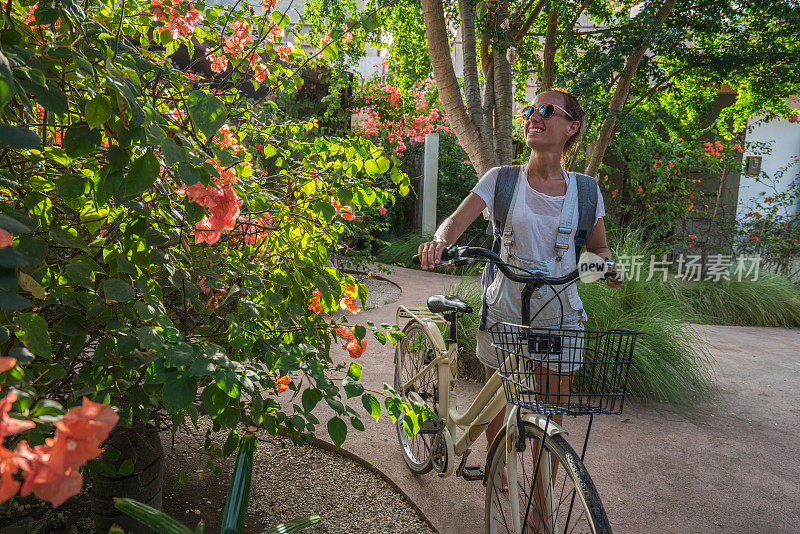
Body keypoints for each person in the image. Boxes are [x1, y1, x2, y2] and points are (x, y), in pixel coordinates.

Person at [417, 89, 623, 494]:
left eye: (546, 110)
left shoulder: (586, 190)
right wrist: (440, 241)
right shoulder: (501, 180)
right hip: (505, 309)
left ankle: (542, 509)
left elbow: (596, 249)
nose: (533, 116)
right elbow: (454, 223)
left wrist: (606, 269)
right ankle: (499, 474)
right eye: (529, 109)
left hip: (559, 317)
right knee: (499, 403)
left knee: (549, 420)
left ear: (571, 127)